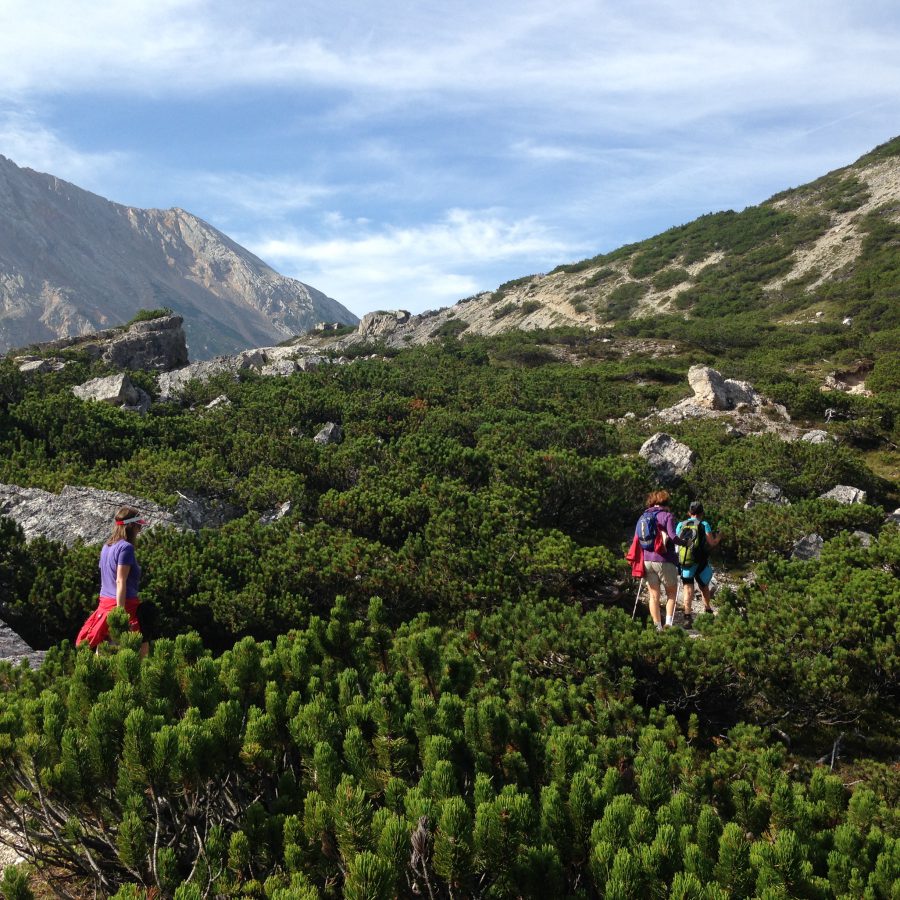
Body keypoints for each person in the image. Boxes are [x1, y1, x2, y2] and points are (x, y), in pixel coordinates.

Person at [76, 505, 156, 657]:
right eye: (139, 526)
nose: (140, 530)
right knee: (138, 651)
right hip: (124, 605)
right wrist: (120, 614)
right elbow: (120, 581)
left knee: (104, 648)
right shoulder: (126, 548)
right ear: (131, 526)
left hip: (104, 605)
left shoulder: (106, 547)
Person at [634, 490, 684, 631]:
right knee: (671, 593)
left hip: (647, 560)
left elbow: (637, 539)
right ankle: (668, 624)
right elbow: (673, 537)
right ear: (665, 503)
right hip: (664, 559)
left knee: (653, 596)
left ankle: (657, 628)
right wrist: (685, 543)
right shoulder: (667, 516)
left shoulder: (643, 516)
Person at [676, 501, 721, 626]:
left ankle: (687, 616)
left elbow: (676, 542)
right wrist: (719, 537)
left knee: (687, 588)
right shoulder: (704, 524)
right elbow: (712, 543)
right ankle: (707, 609)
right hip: (699, 561)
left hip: (685, 561)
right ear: (702, 513)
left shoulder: (681, 524)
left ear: (689, 513)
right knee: (703, 585)